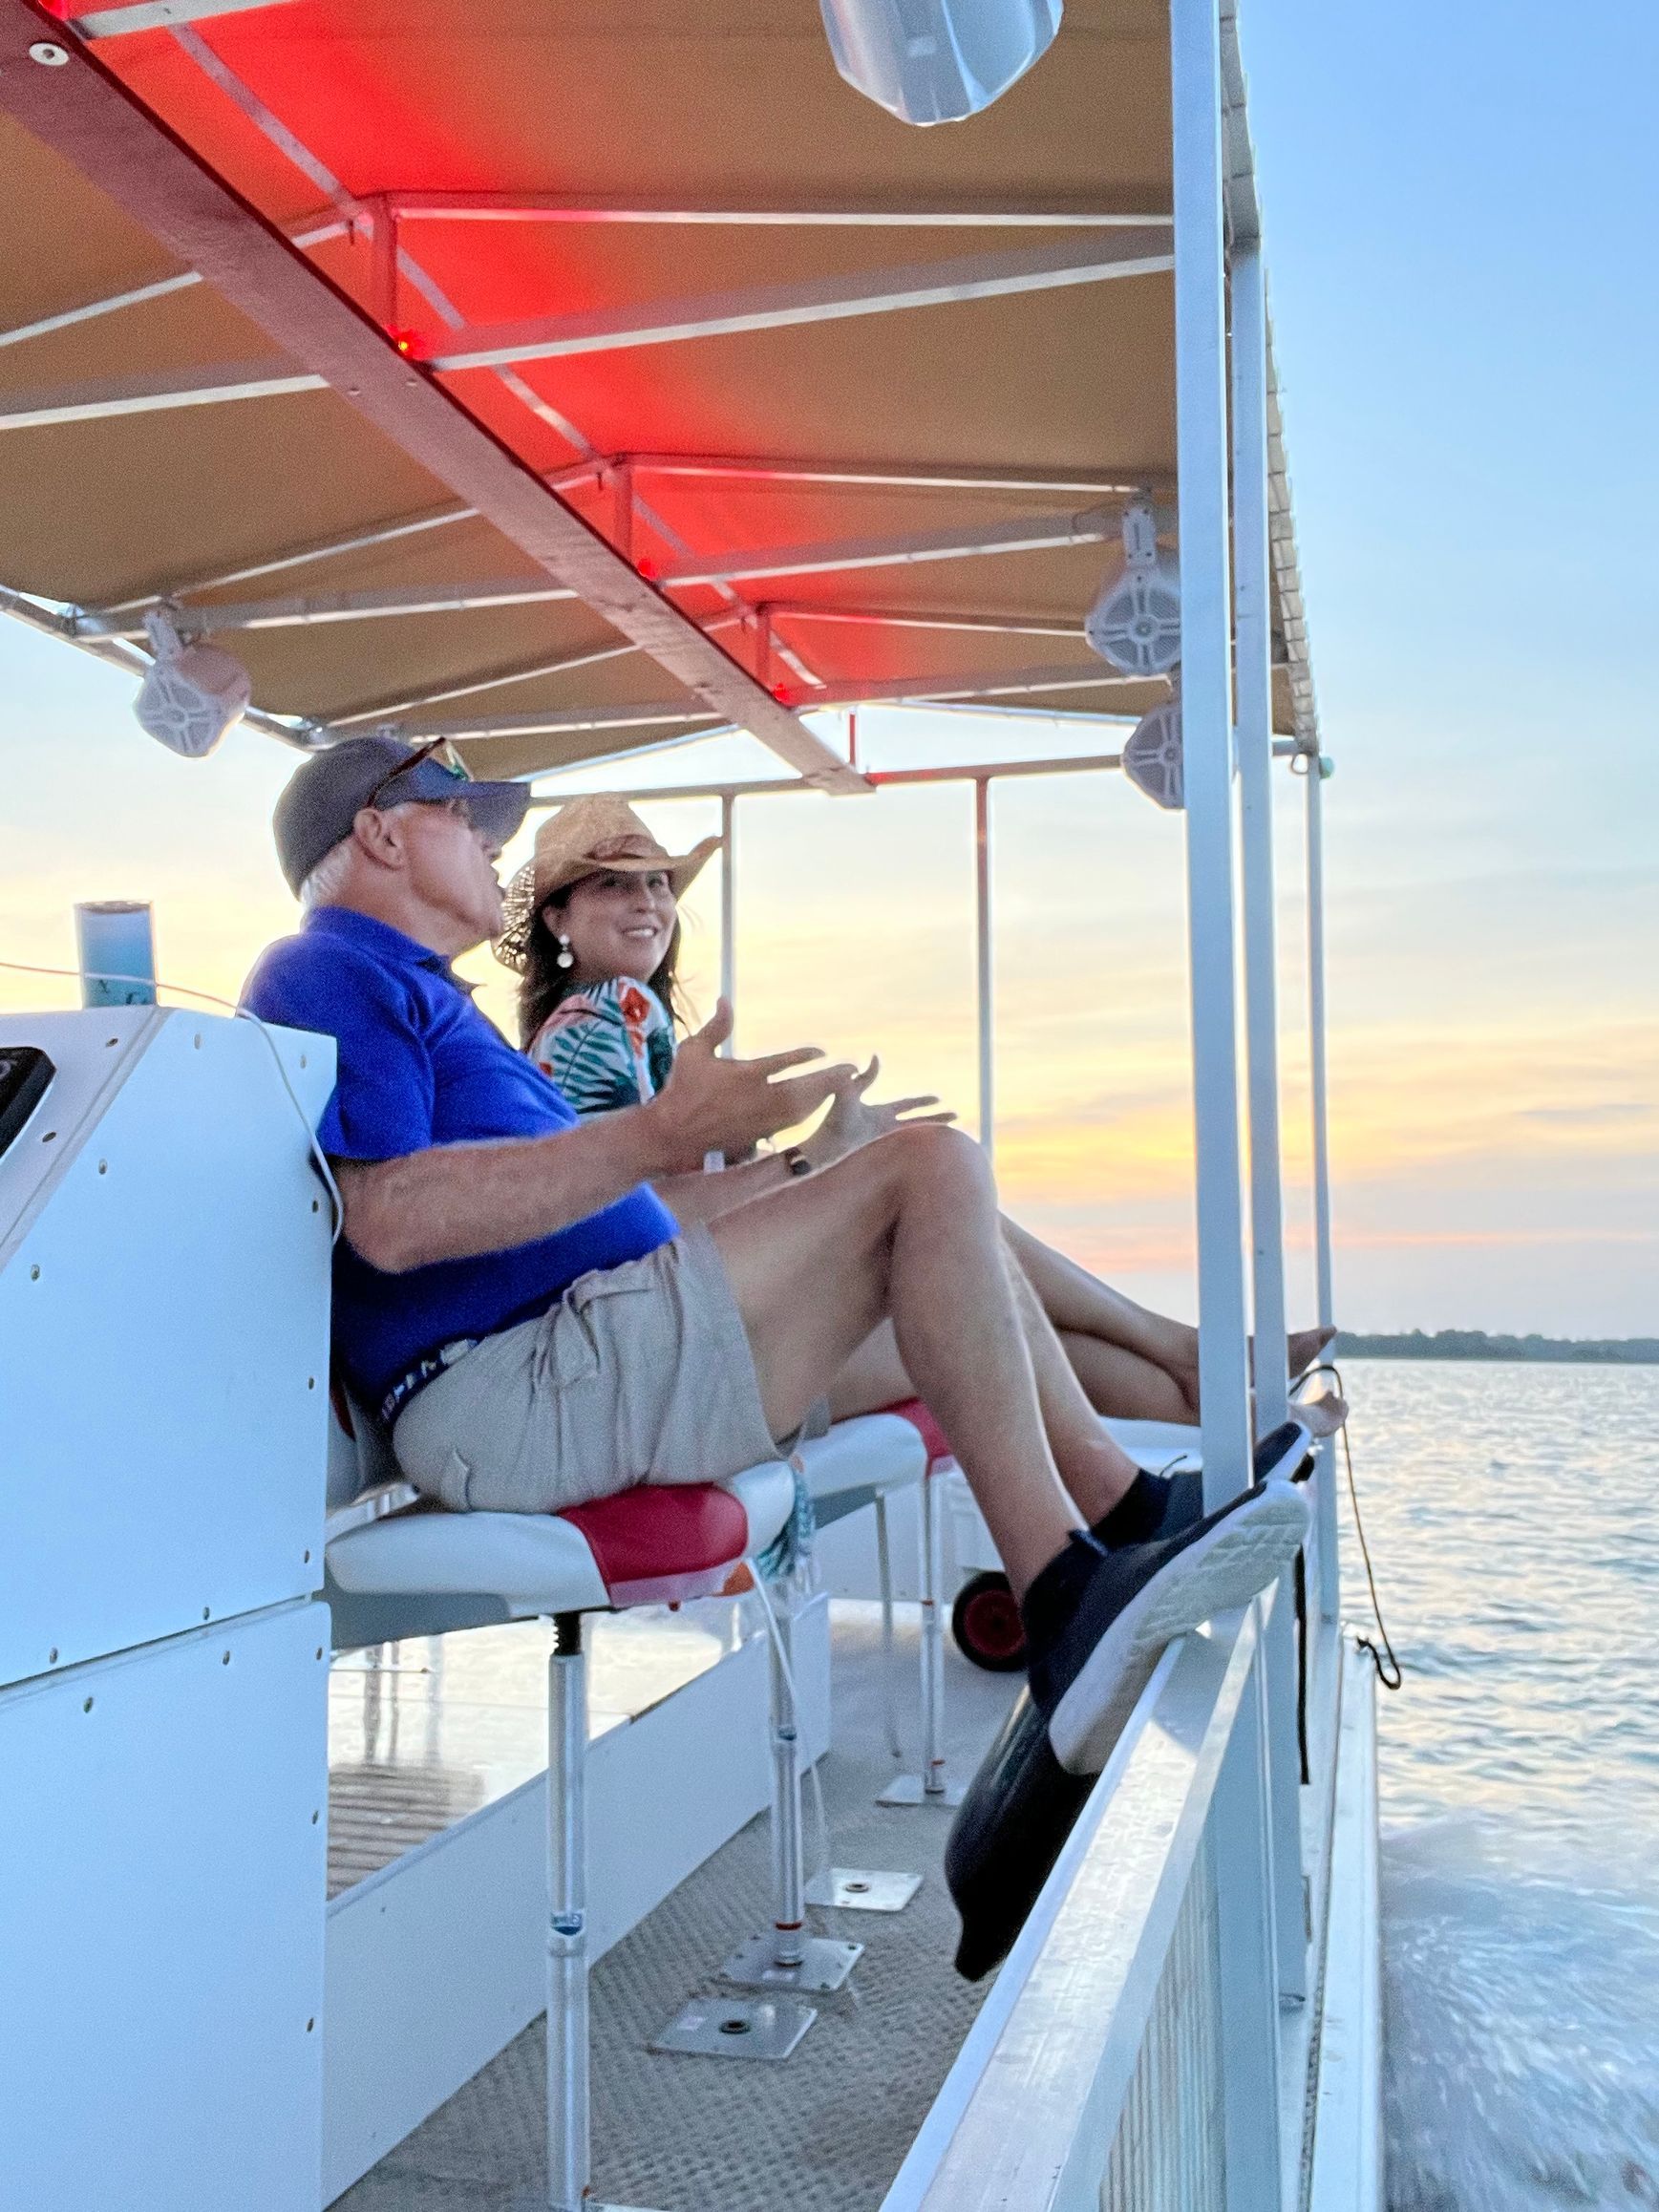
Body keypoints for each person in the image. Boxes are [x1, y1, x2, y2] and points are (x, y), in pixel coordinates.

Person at [242, 734, 1311, 1786]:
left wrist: (805, 1163)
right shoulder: (327, 966)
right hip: (514, 1384)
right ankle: (1076, 1589)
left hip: (592, 1349)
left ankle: (1166, 1472)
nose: (489, 848)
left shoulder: (433, 1001)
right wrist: (662, 1132)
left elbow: (635, 1208)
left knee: (944, 1282)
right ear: (380, 834)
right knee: (931, 1170)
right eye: (466, 820)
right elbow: (383, 1215)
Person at [500, 795, 1343, 1435]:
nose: (648, 901)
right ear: (557, 918)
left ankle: (1209, 1394)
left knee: (969, 1281)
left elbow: (671, 1191)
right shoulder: (596, 1025)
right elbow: (619, 1228)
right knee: (962, 1276)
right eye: (614, 885)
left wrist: (810, 1157)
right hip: (668, 1356)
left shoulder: (630, 1027)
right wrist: (818, 1162)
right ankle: (1194, 1370)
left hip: (700, 1325)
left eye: (658, 883)